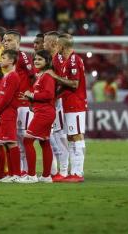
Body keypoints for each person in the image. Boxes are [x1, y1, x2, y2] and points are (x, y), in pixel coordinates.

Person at [46, 33, 87, 182]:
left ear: (62, 46)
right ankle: (73, 171)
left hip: (76, 103)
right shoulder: (66, 61)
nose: (56, 46)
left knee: (77, 136)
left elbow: (74, 84)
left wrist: (55, 76)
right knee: (71, 136)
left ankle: (78, 173)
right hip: (69, 104)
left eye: (57, 44)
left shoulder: (74, 60)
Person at [17, 50, 56, 183]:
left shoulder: (47, 76)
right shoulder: (41, 76)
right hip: (43, 111)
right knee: (44, 142)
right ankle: (46, 176)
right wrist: (29, 97)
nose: (36, 61)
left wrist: (33, 95)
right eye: (35, 59)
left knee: (27, 141)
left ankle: (32, 176)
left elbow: (49, 94)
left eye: (40, 59)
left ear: (47, 61)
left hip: (45, 113)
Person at [3, 30, 35, 175]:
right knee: (15, 139)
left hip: (23, 105)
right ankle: (21, 170)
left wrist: (31, 95)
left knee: (24, 139)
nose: (6, 42)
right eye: (4, 40)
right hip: (12, 105)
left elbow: (33, 76)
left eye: (9, 40)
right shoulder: (6, 58)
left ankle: (28, 171)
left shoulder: (22, 56)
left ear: (18, 42)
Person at [43, 30, 69, 180]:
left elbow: (62, 83)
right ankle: (59, 169)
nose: (43, 44)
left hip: (57, 103)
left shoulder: (59, 60)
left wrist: (53, 96)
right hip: (51, 103)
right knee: (53, 136)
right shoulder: (50, 60)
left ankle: (64, 171)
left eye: (45, 41)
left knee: (59, 135)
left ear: (53, 43)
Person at [0, 49, 21, 182]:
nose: (1, 60)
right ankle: (10, 174)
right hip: (3, 112)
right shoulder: (6, 76)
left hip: (8, 112)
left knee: (11, 143)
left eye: (3, 58)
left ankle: (16, 173)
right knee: (6, 143)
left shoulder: (13, 76)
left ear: (11, 60)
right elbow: (1, 96)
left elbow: (7, 98)